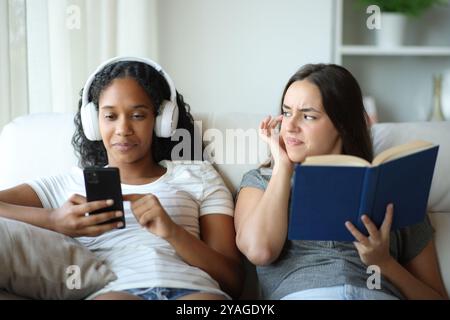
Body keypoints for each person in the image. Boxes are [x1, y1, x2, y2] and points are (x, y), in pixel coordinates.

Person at [0, 57, 243, 300]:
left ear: (161, 122)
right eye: (110, 116)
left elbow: (232, 281)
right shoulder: (67, 184)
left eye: (137, 115)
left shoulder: (198, 175)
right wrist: (53, 220)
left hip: (195, 291)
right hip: (116, 291)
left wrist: (172, 232)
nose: (123, 129)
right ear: (93, 123)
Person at [234, 63, 448, 300]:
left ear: (342, 125)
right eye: (286, 113)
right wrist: (283, 166)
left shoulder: (391, 187)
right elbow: (260, 251)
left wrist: (384, 263)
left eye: (308, 116)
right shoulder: (260, 183)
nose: (291, 126)